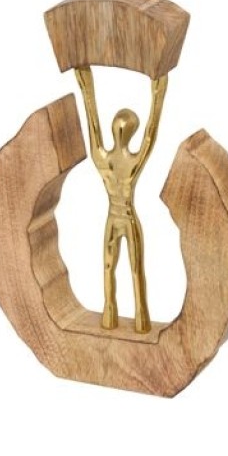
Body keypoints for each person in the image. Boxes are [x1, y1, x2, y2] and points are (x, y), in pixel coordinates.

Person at [75, 66, 167, 333]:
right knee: (126, 268)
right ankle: (128, 318)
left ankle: (127, 317)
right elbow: (149, 136)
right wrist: (157, 95)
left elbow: (93, 123)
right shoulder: (126, 161)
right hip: (123, 218)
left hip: (117, 219)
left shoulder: (104, 158)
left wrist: (86, 85)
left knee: (118, 267)